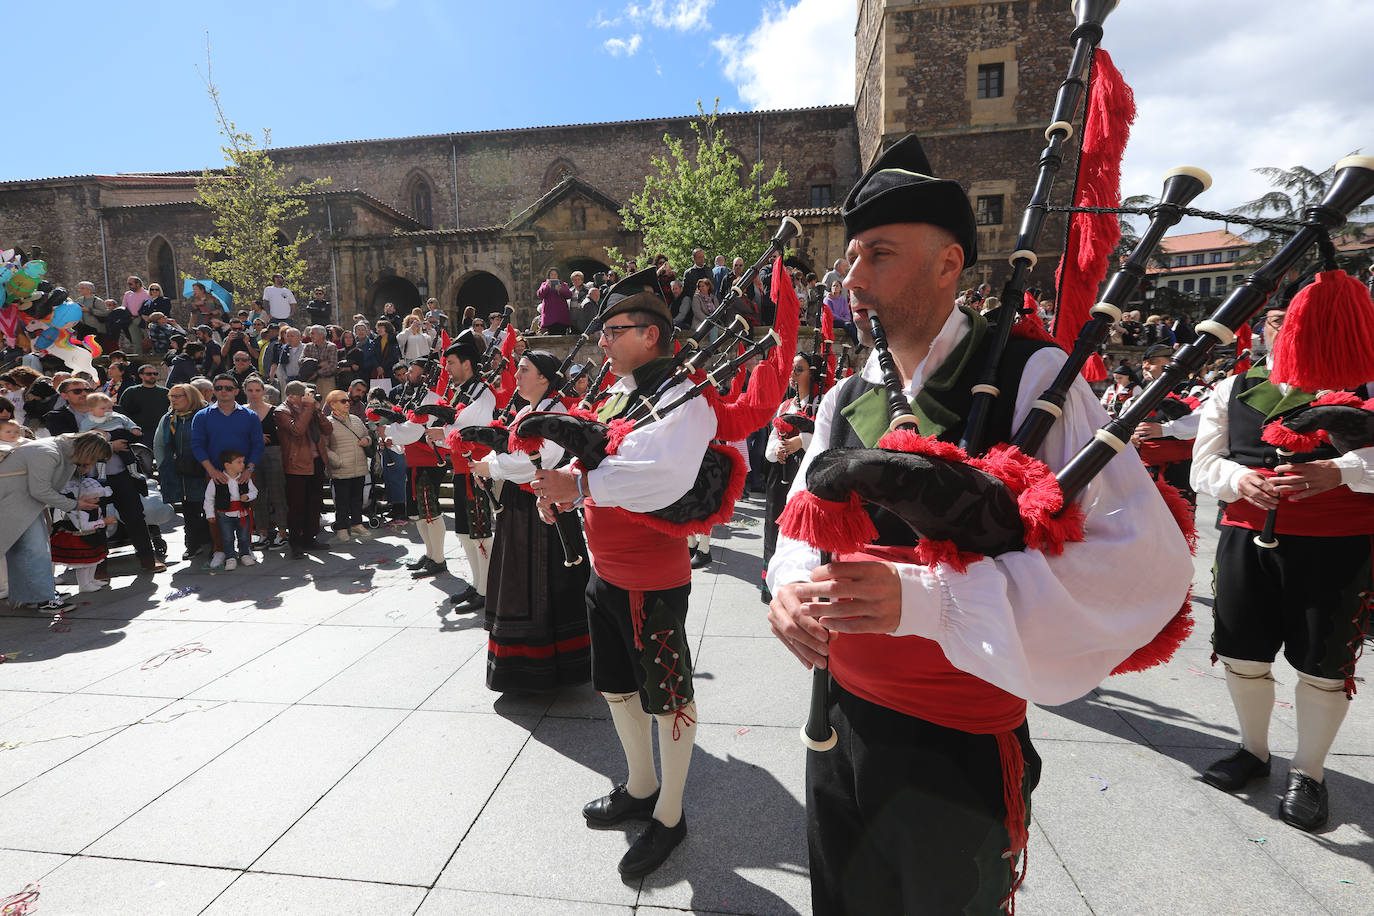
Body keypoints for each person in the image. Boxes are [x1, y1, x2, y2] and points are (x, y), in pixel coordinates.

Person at [765, 134, 1193, 914]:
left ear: (948, 264)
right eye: (852, 258)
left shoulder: (1033, 375)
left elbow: (1145, 563)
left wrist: (928, 601)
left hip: (956, 742)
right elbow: (800, 528)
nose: (852, 280)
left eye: (879, 255)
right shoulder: (844, 398)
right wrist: (789, 588)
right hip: (839, 720)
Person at [529, 274, 711, 877]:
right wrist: (556, 488)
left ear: (650, 334)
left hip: (652, 578)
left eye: (614, 331)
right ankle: (639, 786)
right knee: (615, 685)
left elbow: (665, 476)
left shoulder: (684, 397)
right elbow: (587, 456)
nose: (601, 341)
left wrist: (577, 487)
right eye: (603, 330)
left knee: (668, 697)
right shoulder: (618, 394)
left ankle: (671, 815)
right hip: (605, 571)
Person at [1190, 299, 1374, 833]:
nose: (1288, 331)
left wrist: (1339, 471)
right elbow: (1204, 464)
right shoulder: (1234, 385)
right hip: (1247, 538)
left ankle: (1309, 774)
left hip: (1337, 546)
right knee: (1241, 654)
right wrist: (1236, 480)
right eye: (1278, 321)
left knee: (1322, 667)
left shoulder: (1364, 382)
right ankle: (1253, 751)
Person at [472, 350, 590, 691]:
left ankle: (553, 669)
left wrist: (492, 468)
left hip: (547, 507)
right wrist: (488, 463)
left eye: (524, 370)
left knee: (547, 586)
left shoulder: (556, 412)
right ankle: (520, 670)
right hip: (519, 506)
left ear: (543, 377)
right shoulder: (526, 410)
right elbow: (507, 445)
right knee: (519, 584)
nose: (517, 375)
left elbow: (539, 460)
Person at [45, 378, 166, 573]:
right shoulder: (58, 416)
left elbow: (135, 435)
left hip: (120, 472)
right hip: (87, 478)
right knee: (94, 520)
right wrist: (111, 446)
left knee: (135, 515)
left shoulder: (109, 408)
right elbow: (68, 444)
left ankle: (148, 558)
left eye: (86, 388)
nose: (83, 393)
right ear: (64, 395)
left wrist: (108, 436)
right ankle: (99, 566)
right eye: (77, 391)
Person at [0, 431, 112, 612]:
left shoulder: (61, 450)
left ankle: (31, 597)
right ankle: (44, 599)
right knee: (37, 551)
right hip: (14, 503)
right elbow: (41, 490)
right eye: (94, 459)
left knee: (28, 551)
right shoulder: (49, 452)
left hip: (19, 503)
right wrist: (75, 505)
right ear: (88, 451)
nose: (92, 465)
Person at [761, 353, 821, 600]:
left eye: (799, 369)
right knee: (775, 528)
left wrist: (801, 441)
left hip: (808, 476)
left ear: (812, 373)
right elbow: (769, 445)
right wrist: (777, 450)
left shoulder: (822, 403)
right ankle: (773, 587)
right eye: (792, 369)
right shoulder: (785, 406)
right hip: (780, 475)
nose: (793, 375)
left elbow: (829, 442)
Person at [191, 373, 264, 566]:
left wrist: (249, 469)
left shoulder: (250, 416)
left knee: (245, 513)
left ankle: (246, 550)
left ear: (236, 391)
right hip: (216, 475)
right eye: (219, 388)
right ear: (213, 391)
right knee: (216, 514)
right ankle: (220, 550)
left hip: (244, 474)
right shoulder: (202, 416)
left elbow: (258, 445)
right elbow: (197, 445)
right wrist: (211, 471)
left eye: (228, 388)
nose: (224, 391)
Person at [1128, 343, 1200, 508]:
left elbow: (1201, 423)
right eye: (1145, 361)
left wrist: (1165, 429)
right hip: (1143, 467)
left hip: (1178, 468)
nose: (1145, 365)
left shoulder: (1192, 387)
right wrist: (1130, 436)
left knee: (1177, 517)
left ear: (1171, 361)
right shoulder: (1145, 390)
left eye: (1152, 360)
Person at [153, 383, 212, 560]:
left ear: (190, 397)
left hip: (204, 469)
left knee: (209, 507)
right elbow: (159, 444)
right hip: (180, 471)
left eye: (178, 396)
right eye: (171, 396)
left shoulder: (204, 415)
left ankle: (210, 542)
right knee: (189, 509)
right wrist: (164, 466)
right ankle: (192, 545)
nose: (173, 399)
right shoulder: (169, 418)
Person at [275, 380, 332, 558]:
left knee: (314, 504)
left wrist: (316, 409)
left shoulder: (310, 408)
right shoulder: (282, 411)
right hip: (296, 465)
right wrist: (308, 408)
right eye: (304, 395)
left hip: (316, 461)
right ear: (291, 396)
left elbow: (328, 429)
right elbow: (298, 430)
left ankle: (310, 538)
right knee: (297, 506)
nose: (309, 398)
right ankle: (295, 543)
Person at [243, 377, 289, 551]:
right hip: (250, 456)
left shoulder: (275, 411)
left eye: (257, 390)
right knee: (257, 496)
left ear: (263, 392)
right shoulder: (241, 412)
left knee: (278, 494)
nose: (254, 394)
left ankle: (282, 532)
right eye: (250, 390)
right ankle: (262, 533)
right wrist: (255, 438)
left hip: (274, 454)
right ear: (244, 391)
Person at [321, 389, 372, 540]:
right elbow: (324, 446)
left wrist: (367, 441)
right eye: (343, 401)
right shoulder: (327, 423)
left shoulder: (356, 419)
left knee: (357, 499)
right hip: (341, 469)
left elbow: (367, 435)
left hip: (359, 467)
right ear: (332, 405)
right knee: (342, 501)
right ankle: (342, 527)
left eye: (347, 400)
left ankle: (357, 524)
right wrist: (336, 460)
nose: (348, 403)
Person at [204, 449, 258, 570]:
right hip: (225, 515)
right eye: (239, 462)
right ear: (227, 465)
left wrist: (248, 496)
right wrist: (209, 514)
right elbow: (209, 498)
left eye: (243, 462)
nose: (243, 465)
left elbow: (254, 491)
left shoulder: (245, 479)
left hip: (242, 514)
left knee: (244, 535)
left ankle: (244, 554)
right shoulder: (216, 481)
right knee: (227, 537)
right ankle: (230, 557)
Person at [304, 325, 340, 393]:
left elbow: (333, 365)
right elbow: (301, 361)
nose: (310, 336)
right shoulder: (308, 346)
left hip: (326, 381)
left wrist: (317, 373)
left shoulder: (331, 347)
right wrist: (318, 363)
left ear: (321, 335)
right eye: (310, 333)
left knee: (326, 402)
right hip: (310, 381)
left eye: (313, 333)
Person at [536, 269, 573, 334]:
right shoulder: (544, 284)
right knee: (551, 333)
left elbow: (569, 295)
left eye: (555, 274)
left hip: (561, 314)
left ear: (558, 276)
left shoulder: (563, 284)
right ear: (549, 276)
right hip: (550, 315)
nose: (553, 276)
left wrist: (561, 289)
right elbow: (540, 295)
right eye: (552, 274)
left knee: (562, 333)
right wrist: (547, 287)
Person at [121, 276, 151, 355]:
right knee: (135, 341)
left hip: (143, 320)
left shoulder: (147, 294)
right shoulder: (127, 294)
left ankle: (151, 356)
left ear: (138, 284)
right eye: (128, 284)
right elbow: (124, 307)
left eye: (130, 284)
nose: (129, 286)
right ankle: (139, 357)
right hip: (131, 320)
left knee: (148, 339)